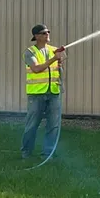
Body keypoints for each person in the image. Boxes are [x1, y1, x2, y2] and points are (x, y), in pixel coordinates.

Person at [21, 24, 67, 159]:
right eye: (43, 33)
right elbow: (36, 69)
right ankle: (26, 153)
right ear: (36, 36)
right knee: (32, 124)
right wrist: (53, 58)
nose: (47, 34)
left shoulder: (54, 50)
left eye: (48, 32)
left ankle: (47, 154)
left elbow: (59, 70)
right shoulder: (29, 52)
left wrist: (59, 63)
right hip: (36, 94)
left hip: (53, 93)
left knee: (53, 125)